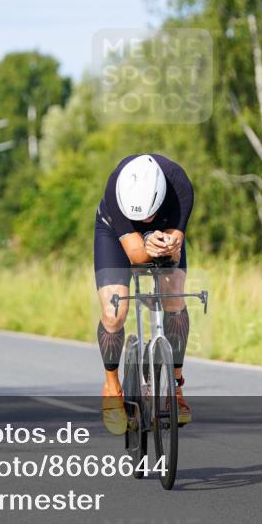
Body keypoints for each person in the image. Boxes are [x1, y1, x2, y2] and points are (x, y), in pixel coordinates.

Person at [94, 154, 194, 435]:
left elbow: (174, 249)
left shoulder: (180, 186)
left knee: (174, 295)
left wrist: (167, 246)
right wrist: (146, 244)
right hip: (115, 233)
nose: (142, 220)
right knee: (115, 312)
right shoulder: (116, 188)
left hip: (166, 227)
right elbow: (135, 254)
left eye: (146, 215)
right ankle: (112, 385)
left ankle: (175, 386)